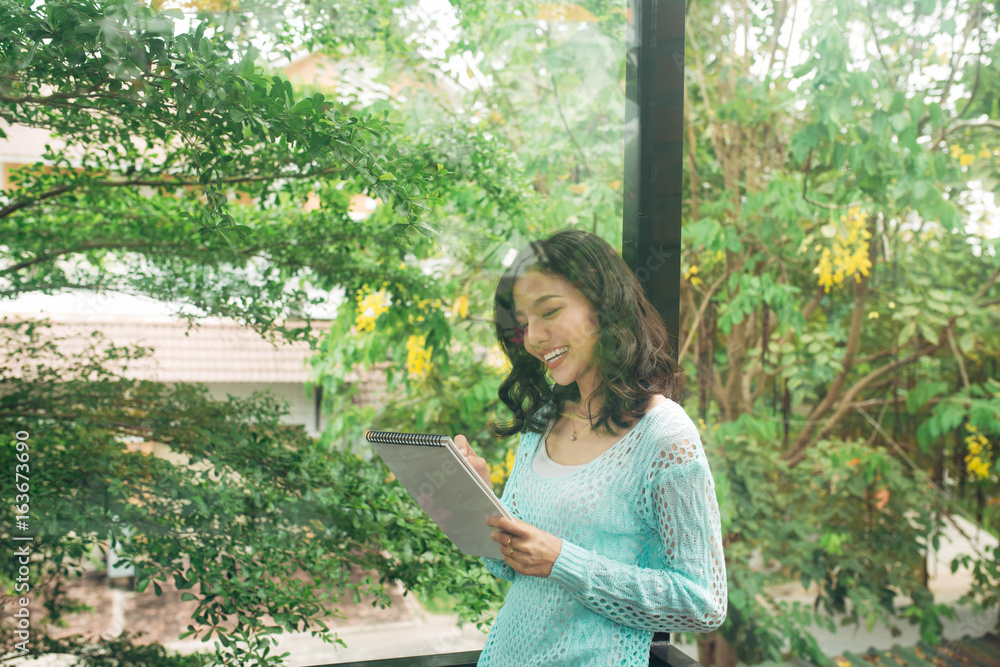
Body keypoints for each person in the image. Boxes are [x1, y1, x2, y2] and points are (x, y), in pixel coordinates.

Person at [452, 229, 727, 666]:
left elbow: (702, 602)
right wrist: (480, 501)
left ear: (604, 307)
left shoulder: (664, 434)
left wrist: (563, 560)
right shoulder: (542, 423)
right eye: (523, 325)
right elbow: (509, 568)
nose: (535, 337)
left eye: (550, 312)